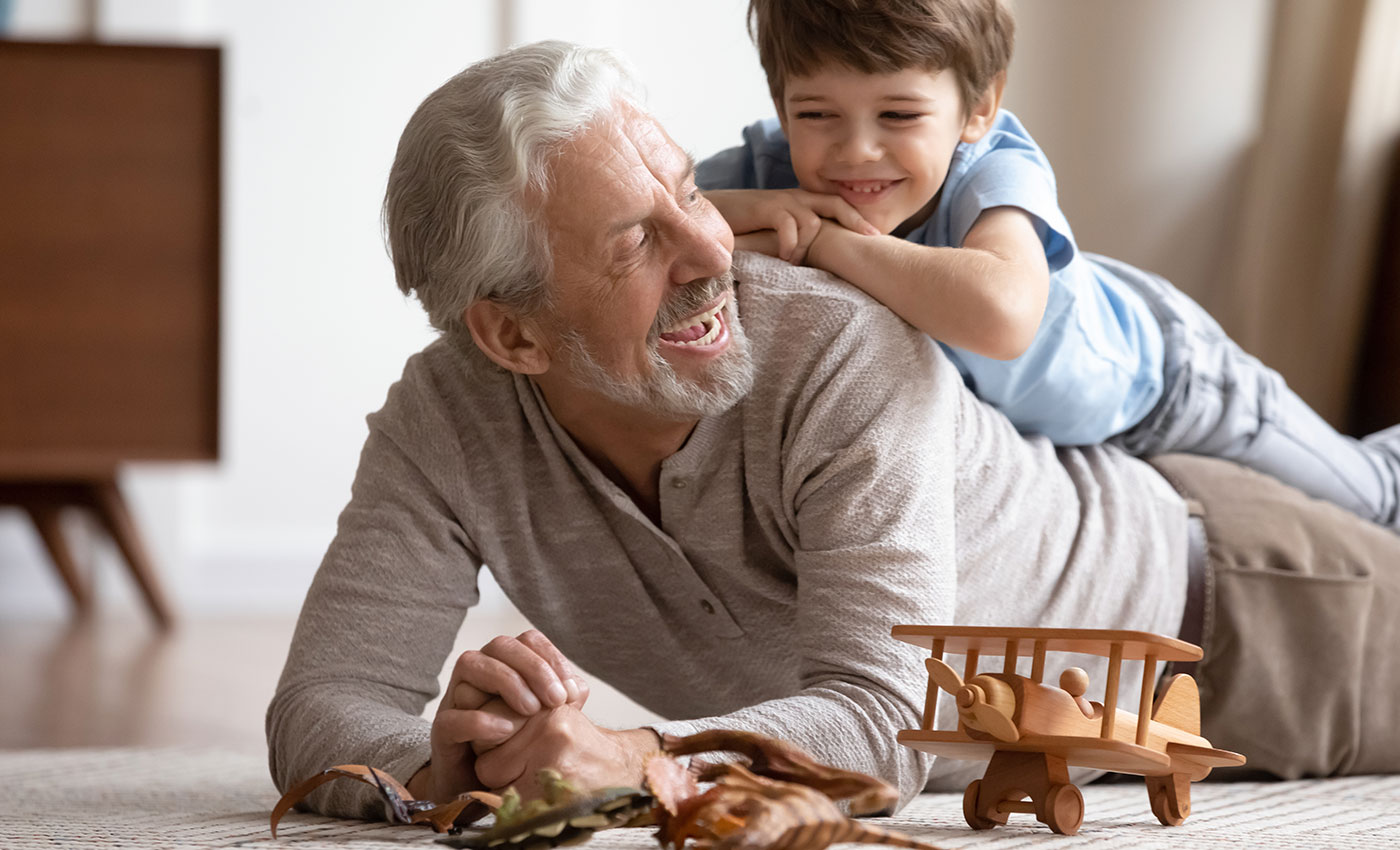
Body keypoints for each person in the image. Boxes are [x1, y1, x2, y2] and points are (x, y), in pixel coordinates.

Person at [266, 41, 1400, 822]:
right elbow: (320, 701)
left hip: (1249, 605)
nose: (715, 250)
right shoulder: (443, 418)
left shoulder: (840, 350)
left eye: (687, 191)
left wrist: (632, 761)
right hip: (1056, 729)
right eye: (632, 243)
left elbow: (875, 717)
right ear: (511, 338)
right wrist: (451, 764)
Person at [697, 0, 1400, 533]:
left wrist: (823, 241)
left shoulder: (993, 166)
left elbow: (1000, 318)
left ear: (979, 107)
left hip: (1172, 386)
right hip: (1071, 435)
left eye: (900, 116)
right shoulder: (770, 171)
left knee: (1370, 497)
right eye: (817, 113)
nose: (855, 151)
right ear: (783, 107)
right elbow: (635, 222)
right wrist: (742, 207)